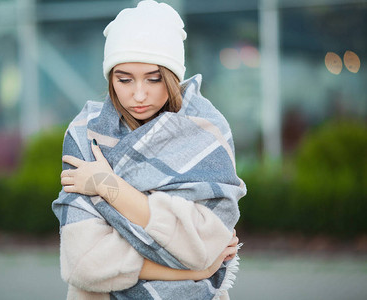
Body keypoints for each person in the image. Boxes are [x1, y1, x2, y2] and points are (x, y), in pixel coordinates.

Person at [52, 1, 246, 299]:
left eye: (154, 79)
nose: (138, 94)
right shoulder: (86, 134)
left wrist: (107, 185)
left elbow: (207, 245)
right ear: (110, 78)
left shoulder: (206, 133)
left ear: (172, 76)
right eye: (124, 79)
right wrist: (195, 271)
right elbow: (83, 263)